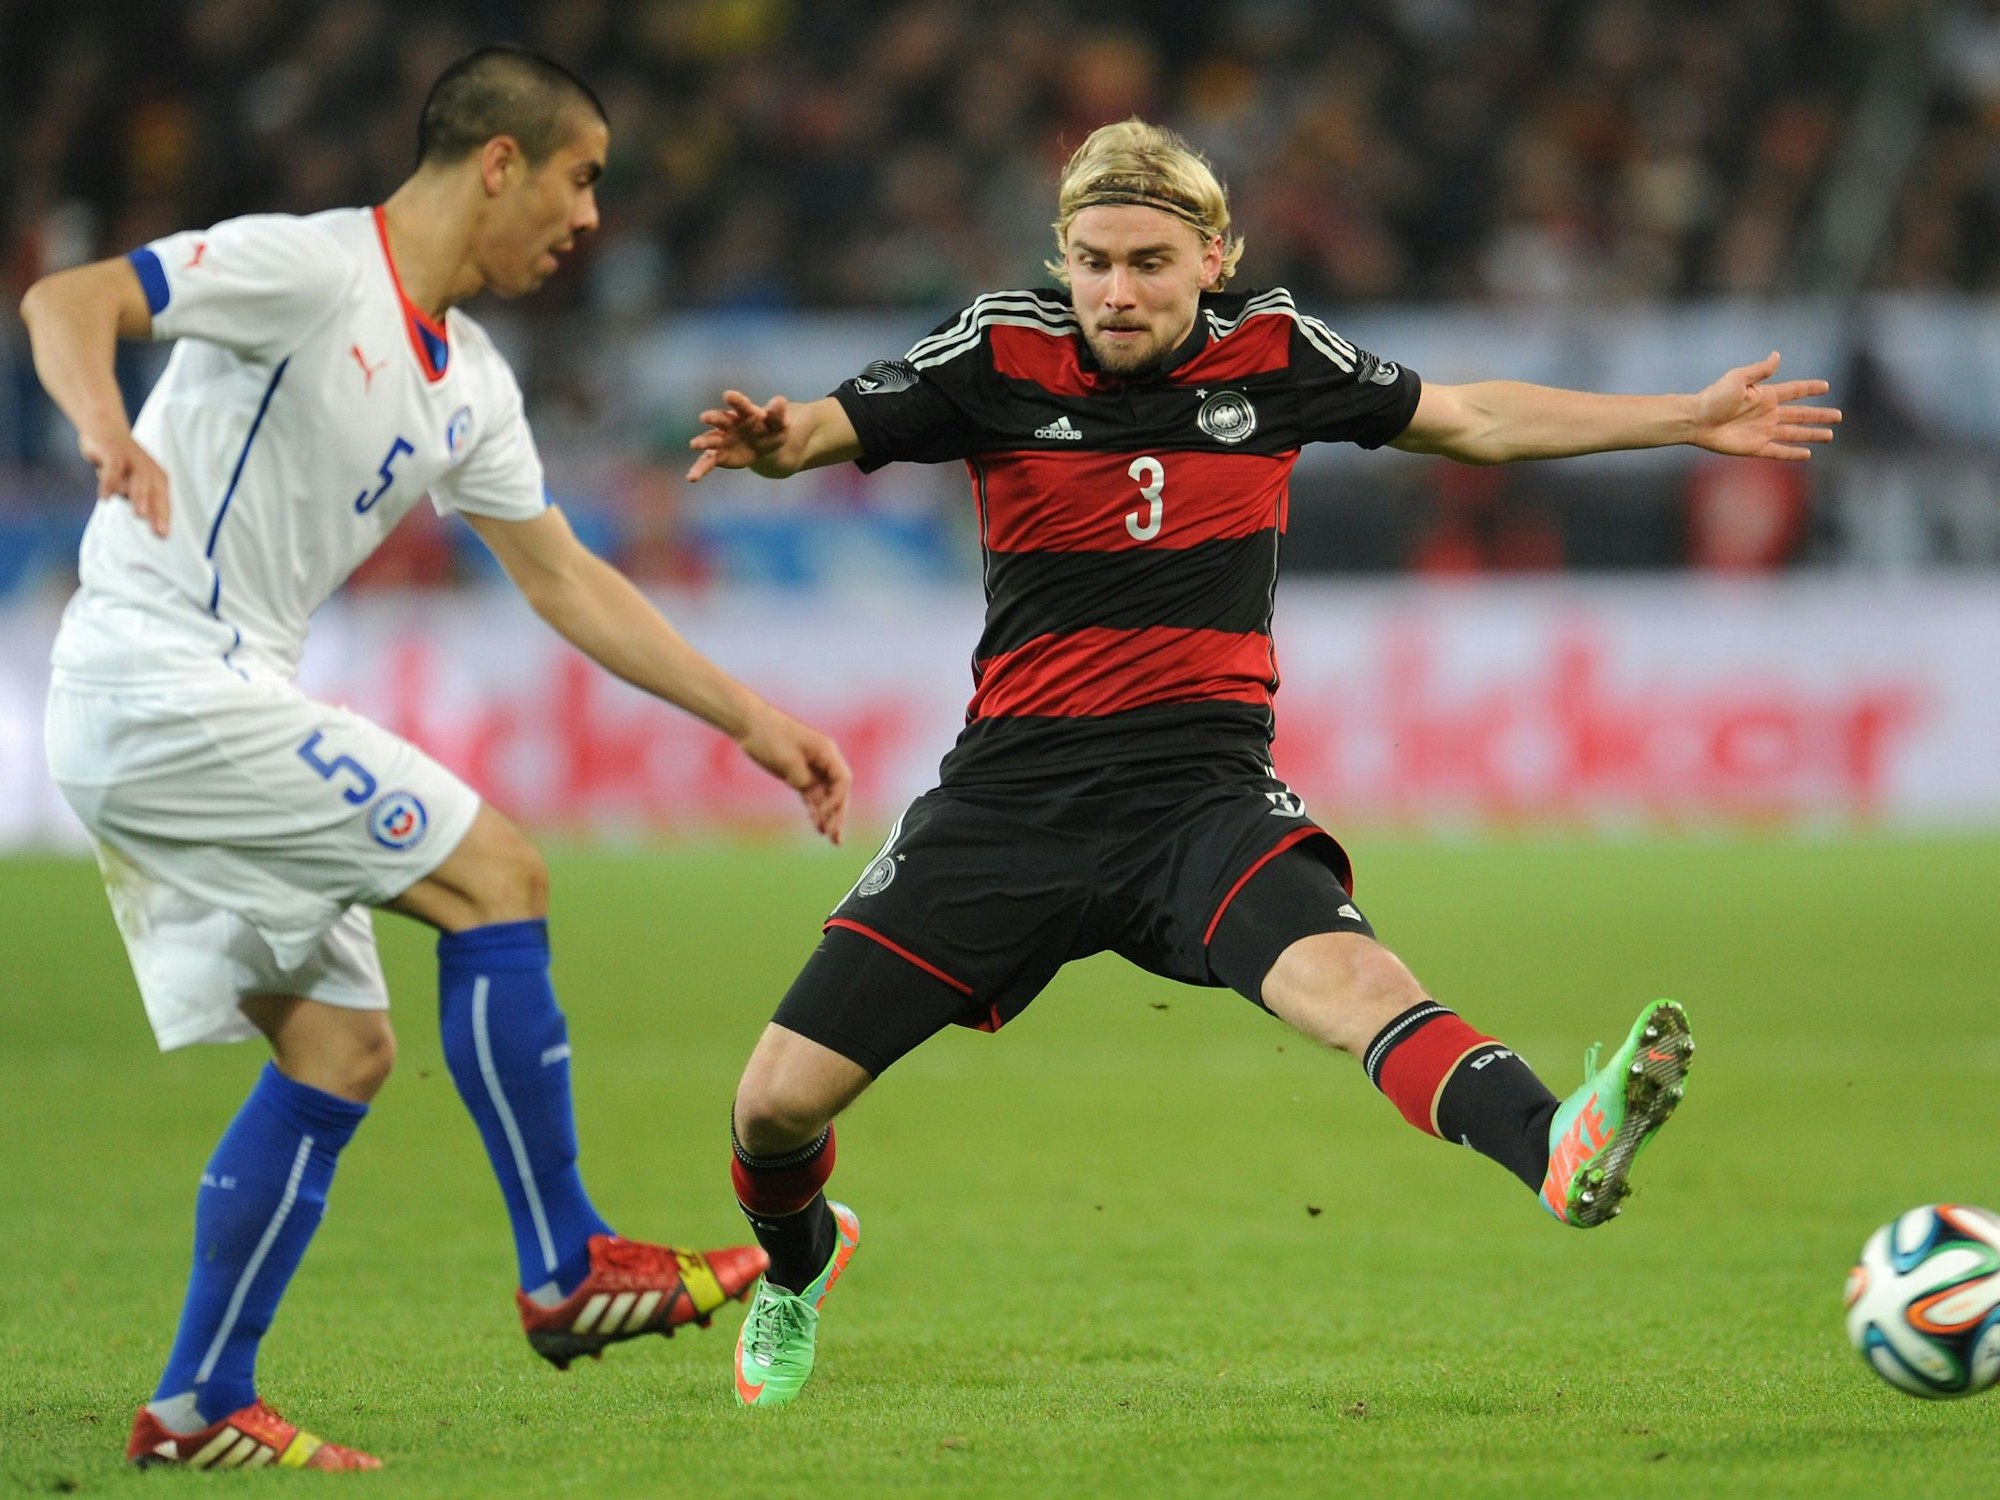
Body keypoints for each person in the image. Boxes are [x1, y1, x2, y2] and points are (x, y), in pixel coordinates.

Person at [686, 118, 1841, 1408]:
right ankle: (796, 1270)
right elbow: (827, 429)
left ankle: (1556, 1147)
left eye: (1149, 262)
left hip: (1200, 794)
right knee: (776, 1107)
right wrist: (777, 438)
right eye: (1092, 261)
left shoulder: (1277, 354)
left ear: (1213, 259)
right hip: (1011, 801)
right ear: (1059, 259)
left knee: (1356, 986)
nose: (1116, 291)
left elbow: (1469, 420)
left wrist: (1687, 415)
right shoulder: (997, 352)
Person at [24, 46, 851, 1470]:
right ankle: (567, 1260)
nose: (592, 219)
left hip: (211, 696)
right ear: (500, 161)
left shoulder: (468, 377)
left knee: (342, 1050)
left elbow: (563, 578)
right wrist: (105, 423)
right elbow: (67, 296)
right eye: (583, 179)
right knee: (496, 871)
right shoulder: (307, 268)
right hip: (162, 675)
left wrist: (750, 720)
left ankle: (198, 1402)